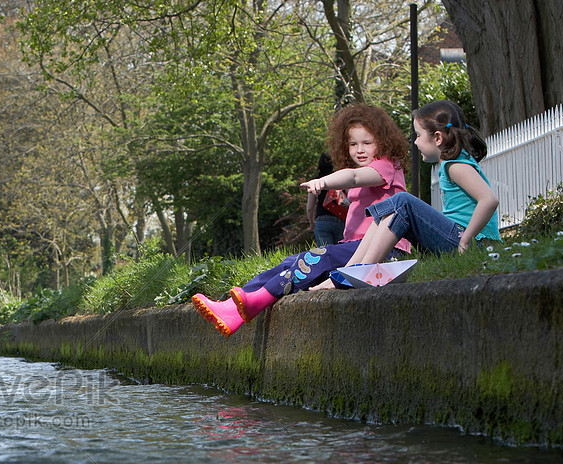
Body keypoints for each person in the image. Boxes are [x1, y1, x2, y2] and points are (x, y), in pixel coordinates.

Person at [193, 103, 411, 337]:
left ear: (384, 141)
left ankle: (253, 303)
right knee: (291, 262)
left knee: (315, 258)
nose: (359, 149)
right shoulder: (373, 168)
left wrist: (323, 181)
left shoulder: (388, 165)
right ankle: (233, 307)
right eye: (353, 144)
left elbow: (355, 176)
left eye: (367, 142)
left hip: (385, 250)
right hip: (355, 247)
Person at [344, 100, 499, 267]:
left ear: (437, 138)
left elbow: (489, 200)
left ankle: (363, 269)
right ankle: (351, 268)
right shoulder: (453, 164)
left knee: (401, 201)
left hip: (472, 243)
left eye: (418, 135)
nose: (416, 142)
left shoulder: (456, 166)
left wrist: (466, 240)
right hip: (461, 239)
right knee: (389, 208)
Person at [308, 152, 346, 247]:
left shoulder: (315, 182)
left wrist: (312, 222)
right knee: (340, 253)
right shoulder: (341, 180)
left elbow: (310, 207)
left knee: (325, 253)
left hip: (322, 221)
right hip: (340, 220)